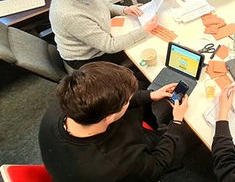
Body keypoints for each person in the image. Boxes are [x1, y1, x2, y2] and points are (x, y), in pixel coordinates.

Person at [39, 61, 191, 181]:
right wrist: (177, 121)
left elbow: (112, 105)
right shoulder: (117, 164)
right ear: (109, 117)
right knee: (185, 134)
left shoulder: (68, 102)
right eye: (127, 101)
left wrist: (150, 96)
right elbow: (157, 165)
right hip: (133, 166)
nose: (130, 100)